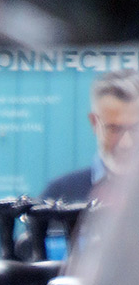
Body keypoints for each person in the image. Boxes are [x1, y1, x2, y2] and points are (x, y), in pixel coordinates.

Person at [41, 69, 139, 201]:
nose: (126, 143)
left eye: (135, 129)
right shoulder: (60, 194)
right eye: (114, 129)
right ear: (94, 123)